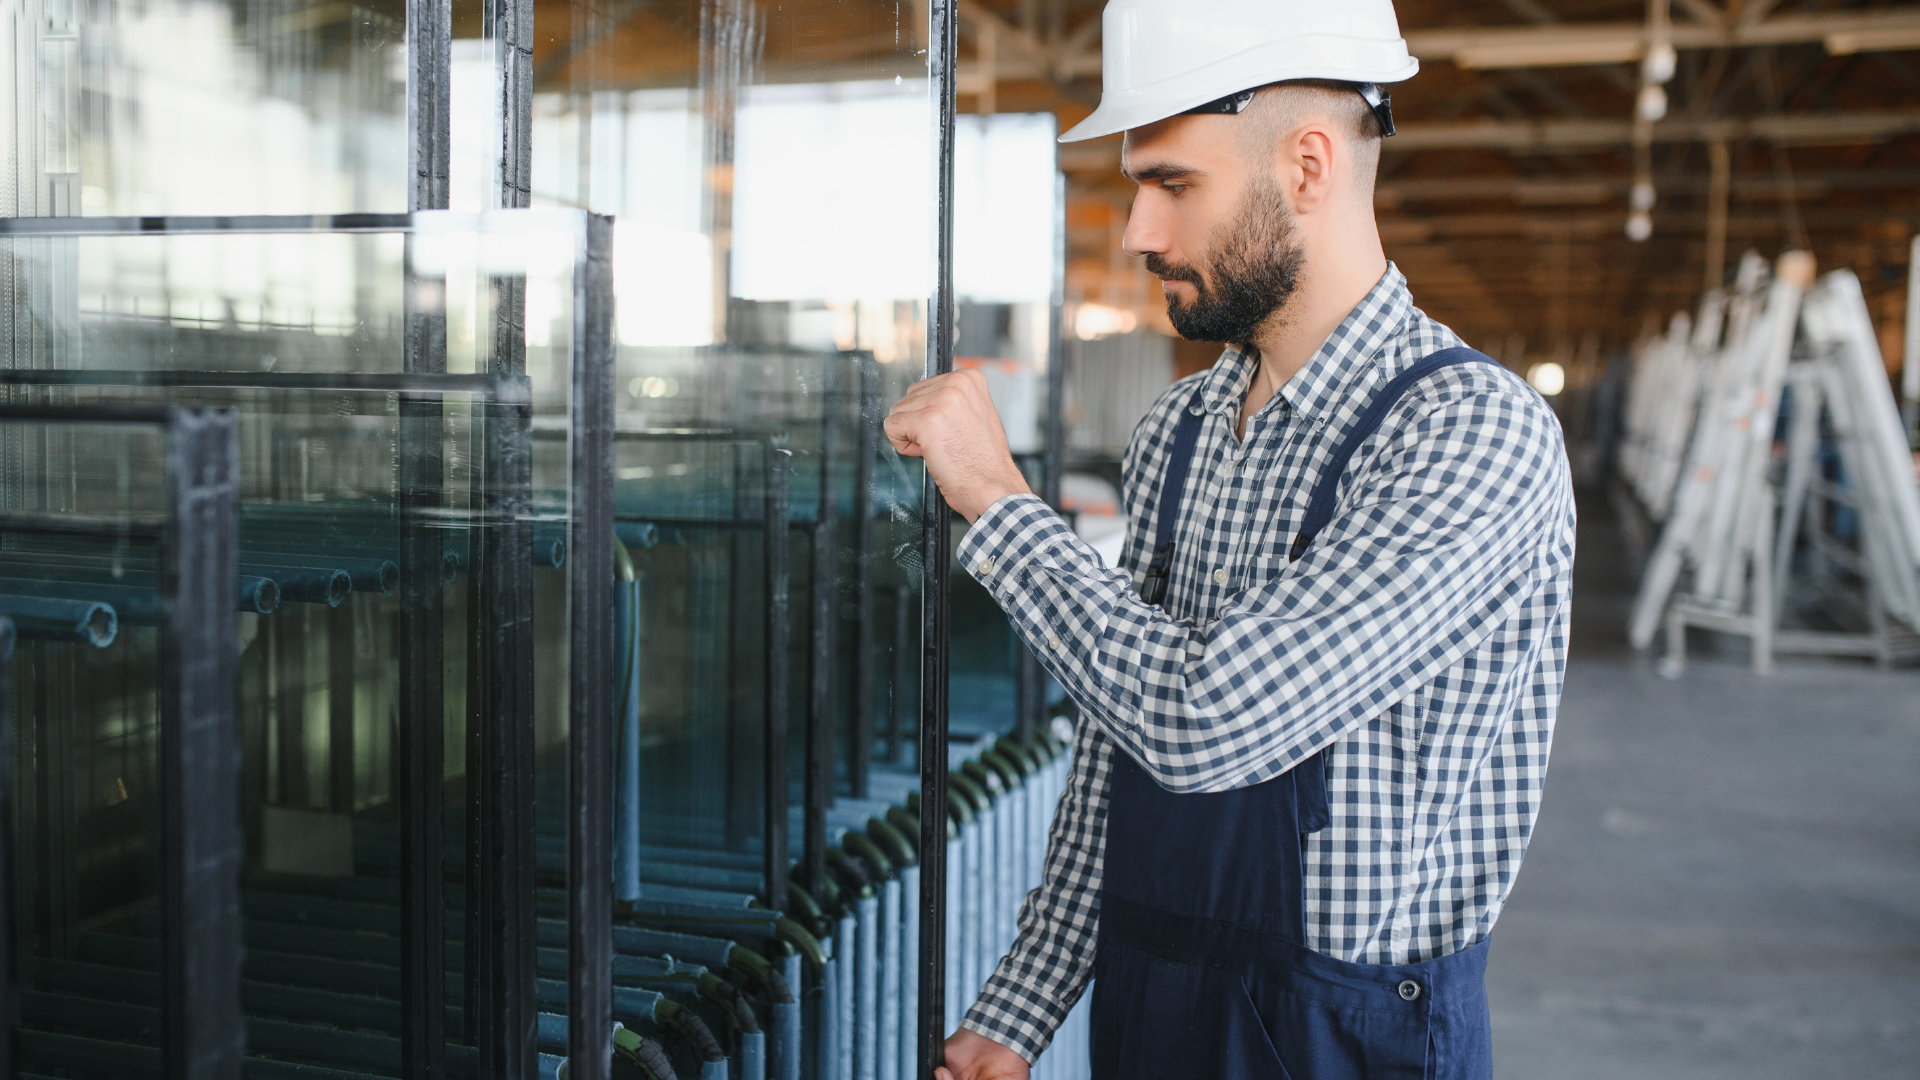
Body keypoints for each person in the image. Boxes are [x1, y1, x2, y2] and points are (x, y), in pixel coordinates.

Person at [884, 1, 1577, 1077]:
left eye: (1173, 184)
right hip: (1151, 997)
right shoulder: (1181, 428)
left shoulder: (1469, 434)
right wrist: (1019, 1014)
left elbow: (1205, 723)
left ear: (1308, 167)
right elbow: (1121, 751)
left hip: (1338, 1035)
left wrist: (996, 497)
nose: (1137, 233)